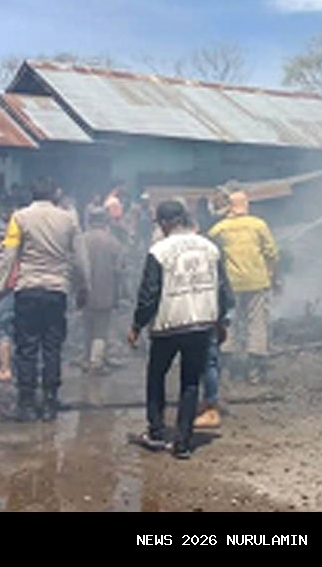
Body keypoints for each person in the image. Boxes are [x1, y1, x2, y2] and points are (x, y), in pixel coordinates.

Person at [128, 200, 234, 459]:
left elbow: (149, 294)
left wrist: (137, 325)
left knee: (156, 376)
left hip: (168, 325)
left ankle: (156, 431)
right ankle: (183, 443)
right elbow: (223, 290)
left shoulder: (159, 251)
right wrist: (221, 321)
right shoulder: (209, 247)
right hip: (201, 325)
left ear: (165, 223)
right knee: (190, 382)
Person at [0, 178, 90, 422]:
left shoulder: (19, 217)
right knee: (52, 347)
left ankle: (26, 403)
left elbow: (9, 255)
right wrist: (83, 287)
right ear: (55, 194)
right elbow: (80, 258)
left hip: (28, 290)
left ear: (32, 194)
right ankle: (49, 402)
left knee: (26, 348)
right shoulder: (68, 219)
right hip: (57, 291)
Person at [207, 190, 279, 385]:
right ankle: (254, 370)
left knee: (228, 322)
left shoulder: (220, 229)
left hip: (231, 284)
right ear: (246, 205)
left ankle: (226, 369)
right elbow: (272, 253)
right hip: (257, 281)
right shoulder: (259, 225)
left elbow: (209, 251)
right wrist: (272, 275)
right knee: (257, 322)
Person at [81, 207, 126, 374]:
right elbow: (120, 269)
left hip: (84, 292)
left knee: (87, 327)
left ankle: (86, 359)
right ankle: (96, 362)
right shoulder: (112, 242)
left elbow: (73, 265)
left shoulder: (81, 240)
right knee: (100, 329)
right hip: (106, 291)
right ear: (105, 221)